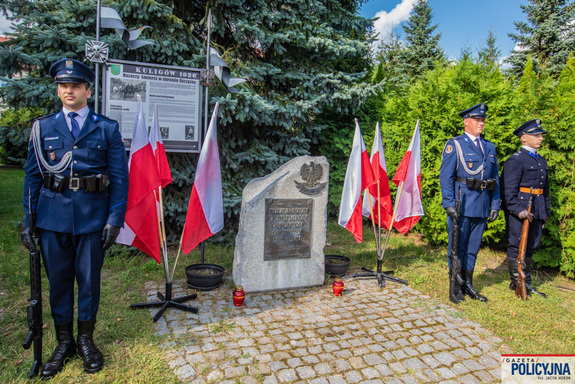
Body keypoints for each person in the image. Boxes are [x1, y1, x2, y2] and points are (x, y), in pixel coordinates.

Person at [20, 58, 129, 377]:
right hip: (52, 218)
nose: (69, 90)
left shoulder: (107, 128)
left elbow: (120, 178)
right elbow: (32, 177)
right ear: (58, 90)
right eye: (63, 85)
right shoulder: (43, 127)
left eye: (75, 85)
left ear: (88, 90)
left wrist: (114, 219)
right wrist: (29, 219)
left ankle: (85, 341)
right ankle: (63, 342)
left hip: (92, 218)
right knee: (59, 283)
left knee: (89, 283)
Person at [439, 103, 500, 303]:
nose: (481, 123)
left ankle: (468, 284)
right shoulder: (455, 144)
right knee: (458, 246)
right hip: (461, 203)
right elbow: (446, 176)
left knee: (473, 248)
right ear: (467, 122)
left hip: (481, 204)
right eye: (477, 120)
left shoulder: (489, 147)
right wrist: (448, 203)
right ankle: (455, 285)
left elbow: (495, 179)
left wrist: (495, 204)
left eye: (483, 120)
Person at [501, 119, 549, 298]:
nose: (540, 138)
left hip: (537, 209)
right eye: (536, 135)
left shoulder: (541, 160)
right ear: (523, 138)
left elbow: (545, 190)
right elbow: (508, 191)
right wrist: (517, 210)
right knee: (516, 245)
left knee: (531, 246)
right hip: (520, 210)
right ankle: (517, 281)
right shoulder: (516, 160)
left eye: (541, 135)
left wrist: (545, 212)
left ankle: (526, 282)